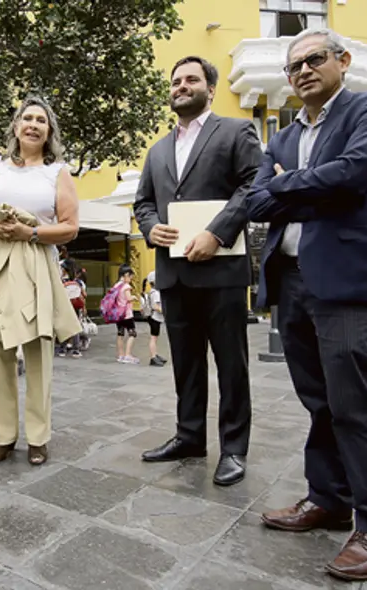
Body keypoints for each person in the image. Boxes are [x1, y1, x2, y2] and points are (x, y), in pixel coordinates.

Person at [246, 29, 367, 580]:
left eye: (314, 59)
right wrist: (305, 187)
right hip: (290, 281)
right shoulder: (282, 138)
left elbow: (357, 172)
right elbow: (259, 198)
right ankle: (329, 500)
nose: (303, 71)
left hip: (346, 282)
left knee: (351, 405)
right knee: (318, 402)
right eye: (294, 66)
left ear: (343, 60)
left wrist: (293, 187)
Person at [133, 56, 261, 487]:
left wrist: (217, 233)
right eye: (175, 81)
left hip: (221, 271)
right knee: (185, 364)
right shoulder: (157, 150)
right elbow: (143, 203)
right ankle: (189, 436)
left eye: (190, 79)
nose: (181, 86)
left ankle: (234, 450)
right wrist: (151, 229)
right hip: (174, 273)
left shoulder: (236, 131)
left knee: (231, 365)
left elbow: (253, 185)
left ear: (210, 87)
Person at [0, 96, 81, 466]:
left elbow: (70, 228)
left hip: (35, 270)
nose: (32, 124)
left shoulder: (57, 172)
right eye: (26, 118)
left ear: (48, 132)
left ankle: (38, 437)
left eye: (40, 120)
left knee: (38, 354)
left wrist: (28, 232)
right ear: (15, 126)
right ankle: (5, 436)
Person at [113, 265, 140, 364]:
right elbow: (128, 298)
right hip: (127, 315)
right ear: (126, 275)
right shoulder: (126, 286)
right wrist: (134, 297)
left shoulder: (116, 285)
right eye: (131, 276)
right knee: (132, 333)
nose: (131, 279)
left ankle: (121, 355)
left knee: (120, 334)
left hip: (118, 314)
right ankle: (128, 355)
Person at [143, 271, 168, 366]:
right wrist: (165, 312)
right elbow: (156, 307)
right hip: (155, 318)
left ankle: (155, 355)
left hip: (155, 317)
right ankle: (153, 357)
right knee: (153, 338)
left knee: (155, 337)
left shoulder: (154, 292)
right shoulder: (156, 293)